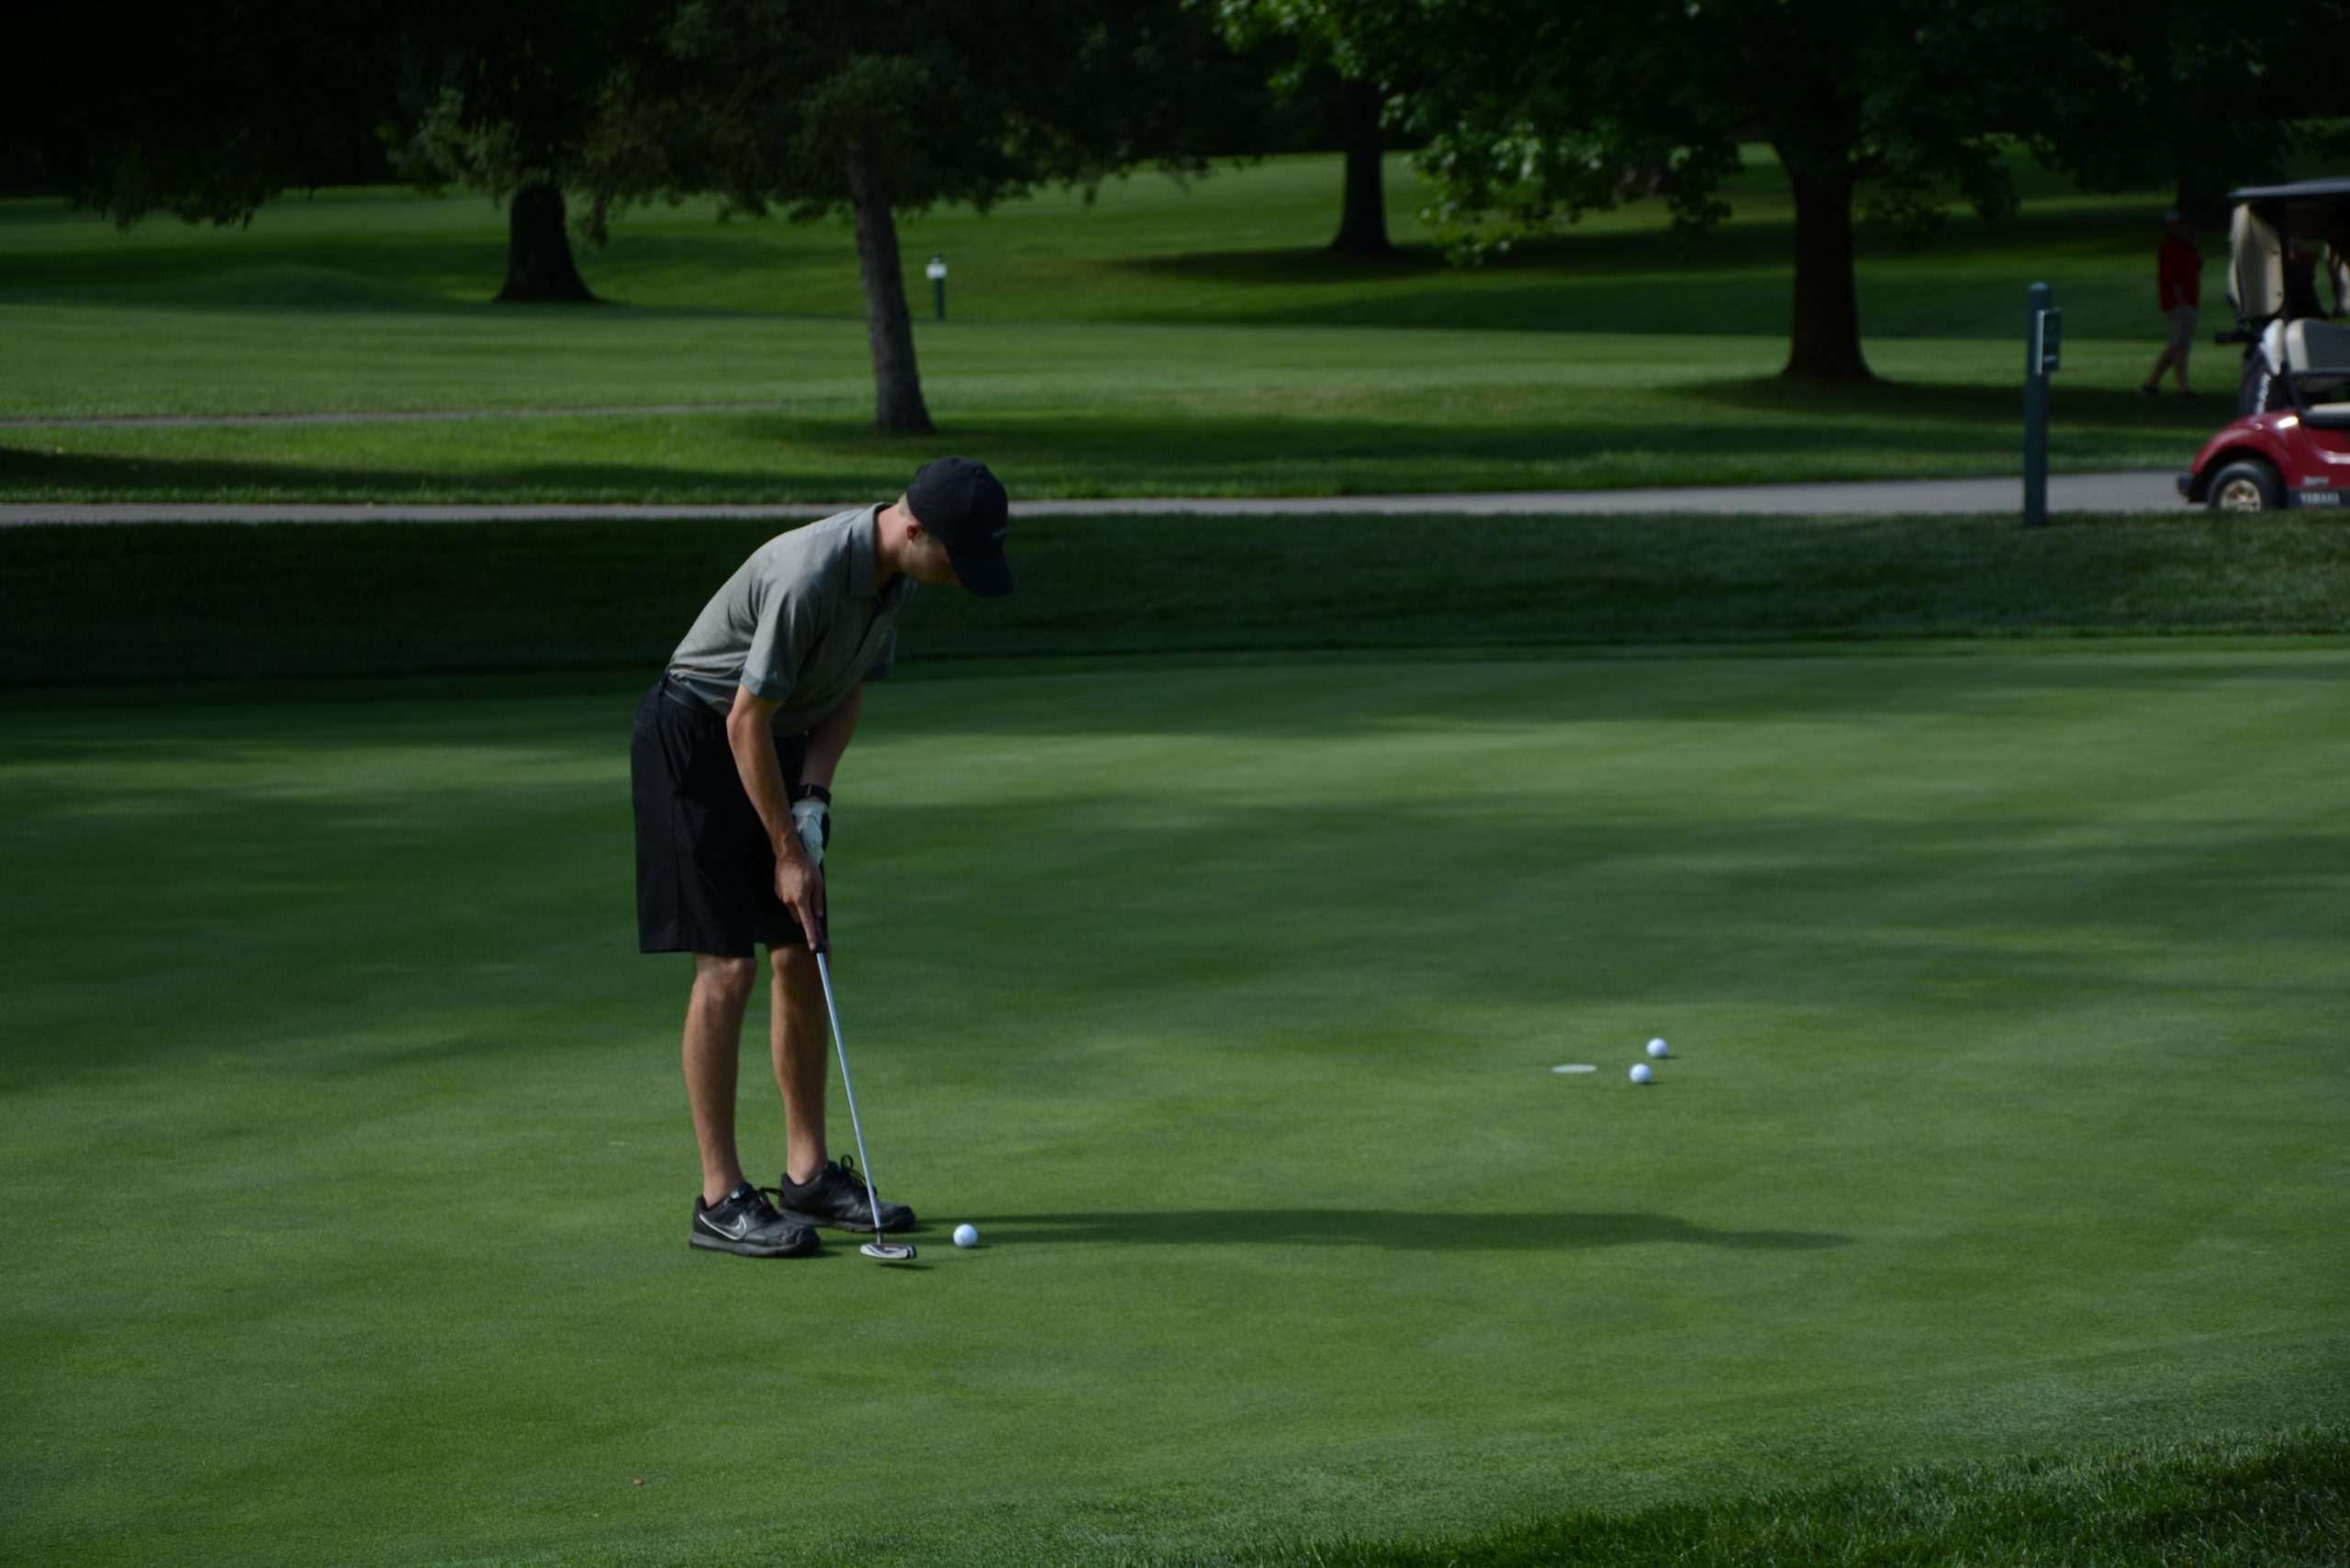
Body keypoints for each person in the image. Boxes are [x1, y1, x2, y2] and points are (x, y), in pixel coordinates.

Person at [632, 457, 1013, 1258]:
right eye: (956, 558)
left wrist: (812, 799)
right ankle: (719, 1198)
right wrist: (785, 850)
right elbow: (742, 719)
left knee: (804, 950)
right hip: (699, 738)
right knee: (728, 967)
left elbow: (847, 686)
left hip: (771, 740)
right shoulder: (812, 575)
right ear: (914, 529)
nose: (958, 577)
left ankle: (807, 1175)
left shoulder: (897, 578)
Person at [2142, 208, 2202, 398]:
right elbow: (2171, 278)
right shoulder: (2170, 248)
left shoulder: (2185, 246)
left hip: (2188, 301)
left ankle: (2151, 385)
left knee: (2176, 346)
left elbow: (2198, 265)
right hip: (2179, 303)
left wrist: (2194, 245)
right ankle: (2183, 389)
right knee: (2181, 348)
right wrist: (2182, 301)